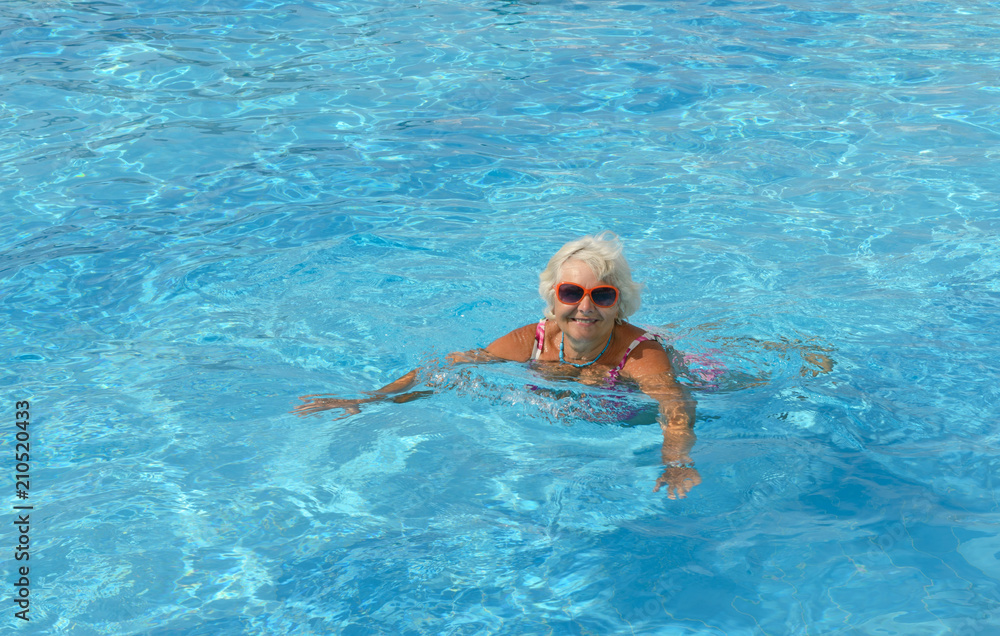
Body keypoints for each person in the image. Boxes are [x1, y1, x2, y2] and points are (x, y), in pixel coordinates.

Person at [294, 232, 700, 498]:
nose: (585, 306)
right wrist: (369, 400)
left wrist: (676, 461)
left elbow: (675, 406)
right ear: (552, 297)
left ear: (620, 303)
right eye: (572, 292)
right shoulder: (531, 340)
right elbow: (444, 371)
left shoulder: (641, 354)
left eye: (603, 295)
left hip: (670, 387)